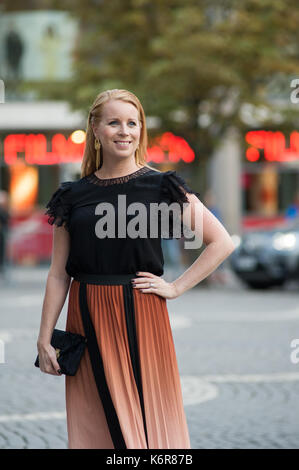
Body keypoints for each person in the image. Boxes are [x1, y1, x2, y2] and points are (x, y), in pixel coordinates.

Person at [36, 89, 235, 449]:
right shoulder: (72, 195)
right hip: (86, 316)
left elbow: (221, 241)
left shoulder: (160, 186)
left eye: (133, 123)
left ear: (141, 130)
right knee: (94, 425)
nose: (124, 131)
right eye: (114, 122)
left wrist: (175, 287)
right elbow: (58, 273)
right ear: (95, 129)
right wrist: (44, 336)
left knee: (147, 425)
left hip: (141, 314)